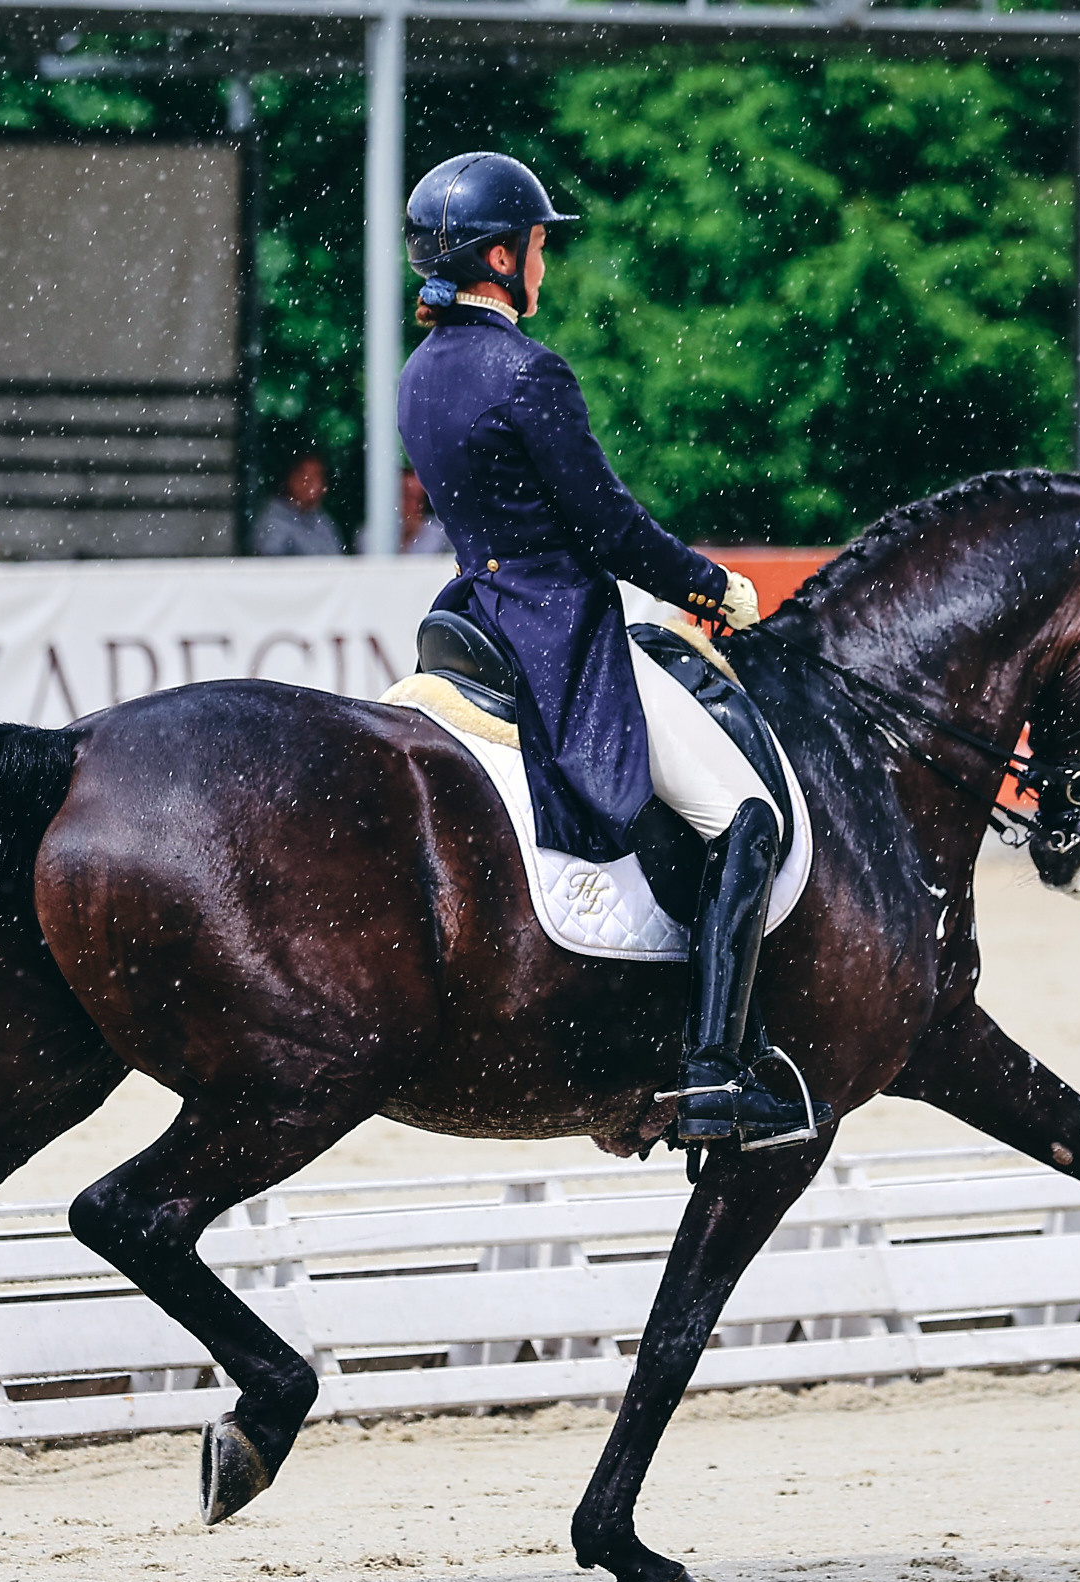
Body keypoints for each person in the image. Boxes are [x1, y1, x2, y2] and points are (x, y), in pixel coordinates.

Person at [397, 150, 821, 1145]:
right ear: (502, 256)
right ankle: (718, 1077)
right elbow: (609, 530)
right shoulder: (525, 372)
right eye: (539, 243)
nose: (544, 261)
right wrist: (710, 585)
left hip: (477, 612)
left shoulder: (422, 372)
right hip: (559, 629)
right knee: (746, 821)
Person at [253, 451, 346, 556]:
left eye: (319, 476)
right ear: (291, 478)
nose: (316, 484)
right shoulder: (273, 521)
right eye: (308, 477)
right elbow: (273, 566)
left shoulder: (322, 521)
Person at [400, 467, 451, 556]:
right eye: (408, 498)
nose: (415, 507)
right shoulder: (372, 538)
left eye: (419, 500)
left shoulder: (441, 541)